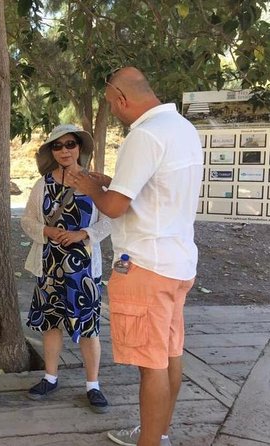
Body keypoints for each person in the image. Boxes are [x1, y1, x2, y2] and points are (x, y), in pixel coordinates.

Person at [69, 67, 203, 446]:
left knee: (152, 365)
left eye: (111, 104)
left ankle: (150, 441)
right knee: (169, 353)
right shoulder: (182, 129)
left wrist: (89, 187)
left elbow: (112, 208)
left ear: (121, 98)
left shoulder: (144, 136)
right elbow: (157, 190)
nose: (113, 111)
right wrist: (109, 183)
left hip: (145, 265)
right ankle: (156, 433)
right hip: (177, 263)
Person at [21, 124, 111, 413]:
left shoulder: (94, 183)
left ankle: (93, 385)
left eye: (70, 144)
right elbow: (27, 221)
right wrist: (46, 231)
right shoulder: (43, 184)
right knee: (50, 324)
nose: (64, 151)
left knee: (88, 328)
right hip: (50, 265)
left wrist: (82, 234)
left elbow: (111, 219)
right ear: (51, 151)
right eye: (57, 146)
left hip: (83, 268)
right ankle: (50, 377)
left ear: (79, 148)